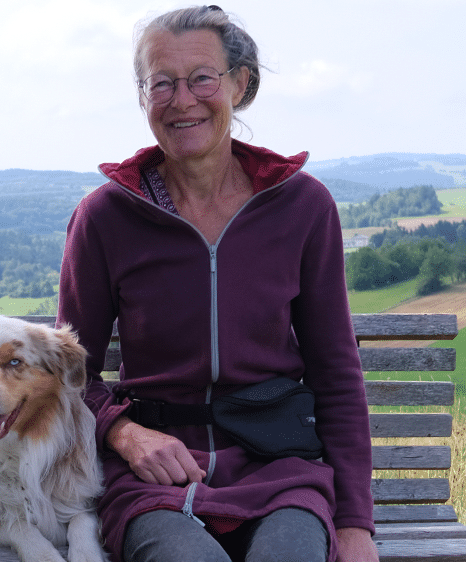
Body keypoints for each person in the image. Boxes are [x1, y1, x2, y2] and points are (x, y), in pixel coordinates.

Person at [56, 5, 378, 562]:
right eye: (162, 83)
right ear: (142, 95)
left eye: (202, 78)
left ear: (240, 84)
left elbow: (336, 371)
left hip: (281, 471)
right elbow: (66, 372)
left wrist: (354, 524)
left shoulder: (302, 207)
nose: (183, 100)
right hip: (152, 480)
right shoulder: (105, 218)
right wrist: (125, 435)